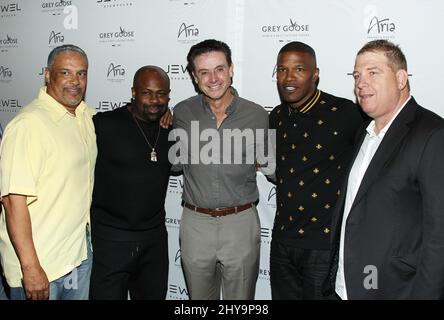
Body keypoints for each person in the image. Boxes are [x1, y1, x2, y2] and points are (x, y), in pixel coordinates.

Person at [324, 39, 444, 299]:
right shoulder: (364, 133)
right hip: (350, 286)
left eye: (373, 72)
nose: (360, 82)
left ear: (401, 79)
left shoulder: (433, 135)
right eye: (357, 75)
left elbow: (439, 236)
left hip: (395, 289)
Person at [172, 39, 274, 300]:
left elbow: (271, 166)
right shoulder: (182, 112)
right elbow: (174, 164)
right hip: (195, 223)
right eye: (204, 72)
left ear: (231, 69)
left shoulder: (257, 115)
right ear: (194, 77)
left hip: (240, 222)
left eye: (219, 69)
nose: (213, 78)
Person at [268, 41, 364, 300]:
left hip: (325, 245)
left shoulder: (345, 113)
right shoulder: (275, 117)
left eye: (299, 69)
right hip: (281, 242)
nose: (288, 78)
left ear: (315, 73)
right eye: (282, 69)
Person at [0, 44, 96, 300]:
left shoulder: (84, 116)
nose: (75, 81)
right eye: (66, 72)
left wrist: (164, 113)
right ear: (47, 74)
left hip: (77, 256)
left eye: (82, 73)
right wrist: (30, 268)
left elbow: (125, 121)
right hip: (40, 266)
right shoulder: (27, 126)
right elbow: (12, 202)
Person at [89, 66, 173, 300]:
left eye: (161, 94)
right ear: (133, 92)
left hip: (154, 241)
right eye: (146, 93)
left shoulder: (171, 129)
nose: (154, 100)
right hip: (110, 240)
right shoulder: (103, 125)